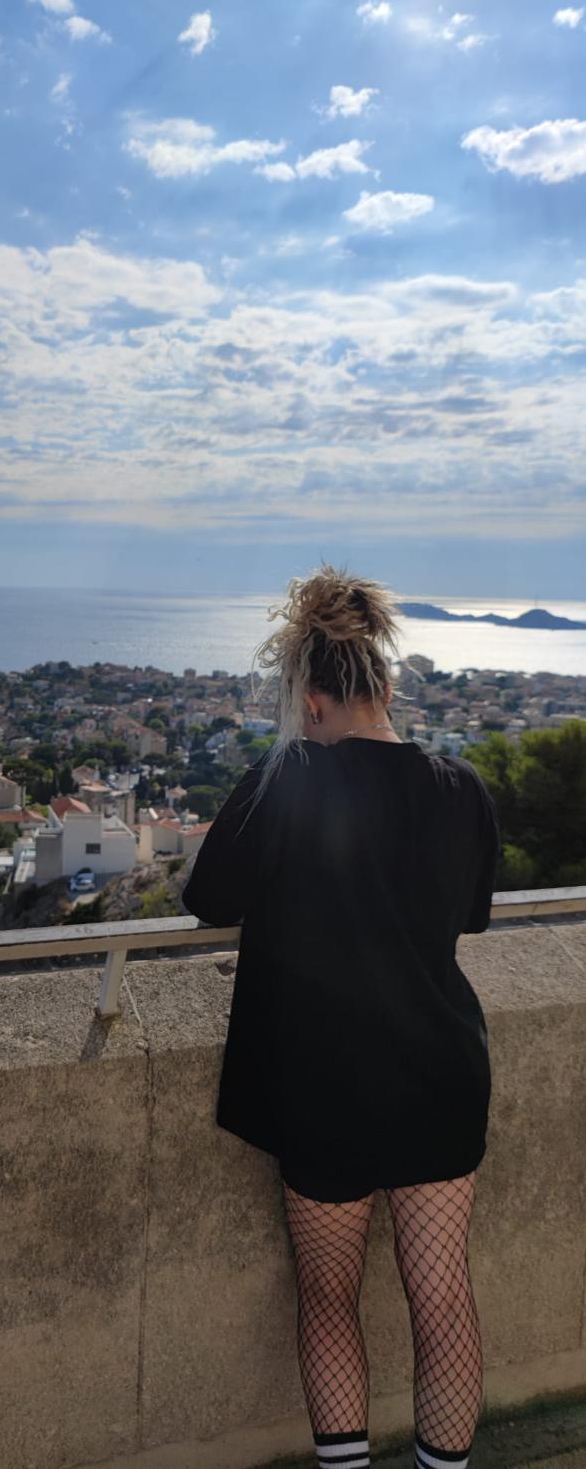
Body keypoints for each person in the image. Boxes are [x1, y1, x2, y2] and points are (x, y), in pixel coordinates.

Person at [181, 562, 503, 1469]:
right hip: (438, 1074)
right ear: (386, 688)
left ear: (310, 700)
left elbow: (209, 899)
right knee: (443, 1299)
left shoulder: (287, 778)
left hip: (323, 1083)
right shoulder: (462, 788)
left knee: (330, 1298)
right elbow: (470, 917)